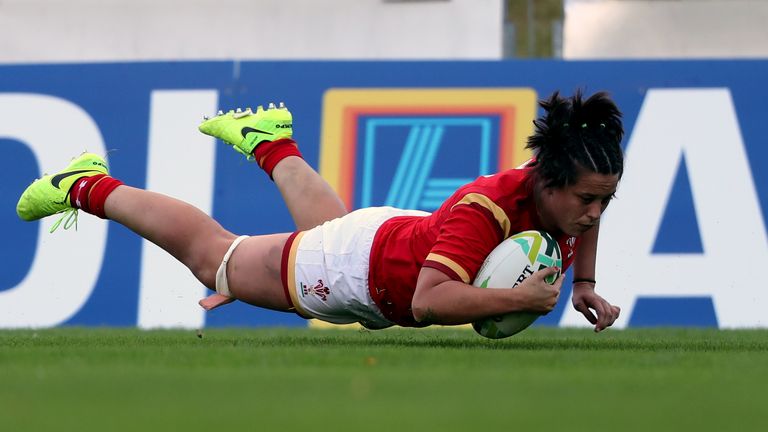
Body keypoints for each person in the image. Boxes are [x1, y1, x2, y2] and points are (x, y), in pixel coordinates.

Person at [16, 91, 623, 333]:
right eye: (587, 199)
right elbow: (429, 301)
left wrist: (585, 283)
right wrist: (521, 299)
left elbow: (580, 225)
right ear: (548, 180)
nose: (593, 215)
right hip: (359, 270)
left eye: (605, 201)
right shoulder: (486, 208)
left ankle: (270, 141)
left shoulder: (564, 203)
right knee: (215, 260)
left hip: (380, 246)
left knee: (330, 233)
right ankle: (85, 186)